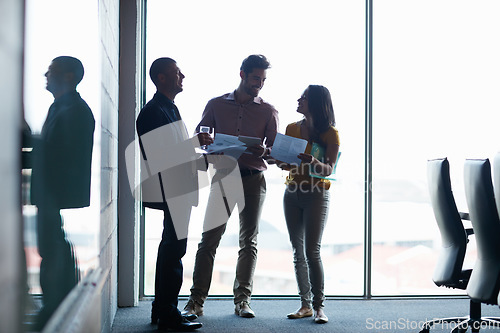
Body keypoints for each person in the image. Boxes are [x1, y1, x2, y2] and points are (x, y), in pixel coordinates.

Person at [183, 54, 279, 318]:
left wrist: (265, 150)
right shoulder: (215, 105)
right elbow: (201, 140)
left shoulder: (268, 111)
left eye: (262, 80)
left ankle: (242, 302)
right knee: (209, 239)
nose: (259, 84)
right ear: (242, 75)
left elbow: (274, 153)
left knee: (249, 241)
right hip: (224, 176)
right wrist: (206, 147)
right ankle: (196, 301)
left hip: (253, 178)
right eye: (255, 78)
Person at [136, 57, 212, 332]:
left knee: (171, 248)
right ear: (162, 78)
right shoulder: (154, 111)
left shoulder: (168, 108)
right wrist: (194, 144)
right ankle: (167, 314)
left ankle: (163, 309)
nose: (183, 76)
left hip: (177, 186)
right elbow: (160, 157)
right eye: (177, 72)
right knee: (173, 250)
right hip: (171, 188)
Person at [30, 56, 95, 329]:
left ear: (68, 76)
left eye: (52, 70)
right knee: (53, 244)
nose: (46, 73)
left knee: (51, 247)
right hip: (52, 192)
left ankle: (54, 307)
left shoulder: (73, 109)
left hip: (54, 191)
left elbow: (56, 151)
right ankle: (55, 303)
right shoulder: (64, 107)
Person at [274, 85, 339, 324]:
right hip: (292, 192)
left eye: (304, 97)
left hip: (316, 194)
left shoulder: (330, 133)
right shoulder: (292, 128)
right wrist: (279, 161)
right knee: (297, 251)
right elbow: (287, 164)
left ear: (315, 103)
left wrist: (313, 161)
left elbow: (329, 169)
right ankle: (305, 305)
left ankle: (319, 306)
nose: (299, 99)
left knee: (312, 251)